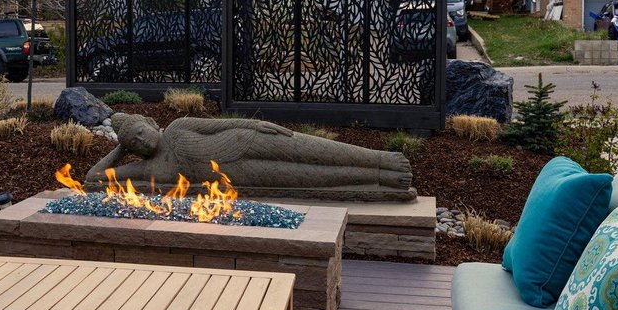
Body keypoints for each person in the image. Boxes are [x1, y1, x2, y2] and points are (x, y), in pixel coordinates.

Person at [85, 112, 415, 200]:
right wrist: (120, 147)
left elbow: (222, 125)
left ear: (152, 123)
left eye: (141, 133)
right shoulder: (147, 167)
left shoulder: (177, 127)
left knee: (310, 150)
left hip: (244, 139)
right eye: (135, 144)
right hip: (241, 174)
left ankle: (379, 158)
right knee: (310, 178)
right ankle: (380, 178)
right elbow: (93, 180)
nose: (142, 142)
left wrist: (258, 124)